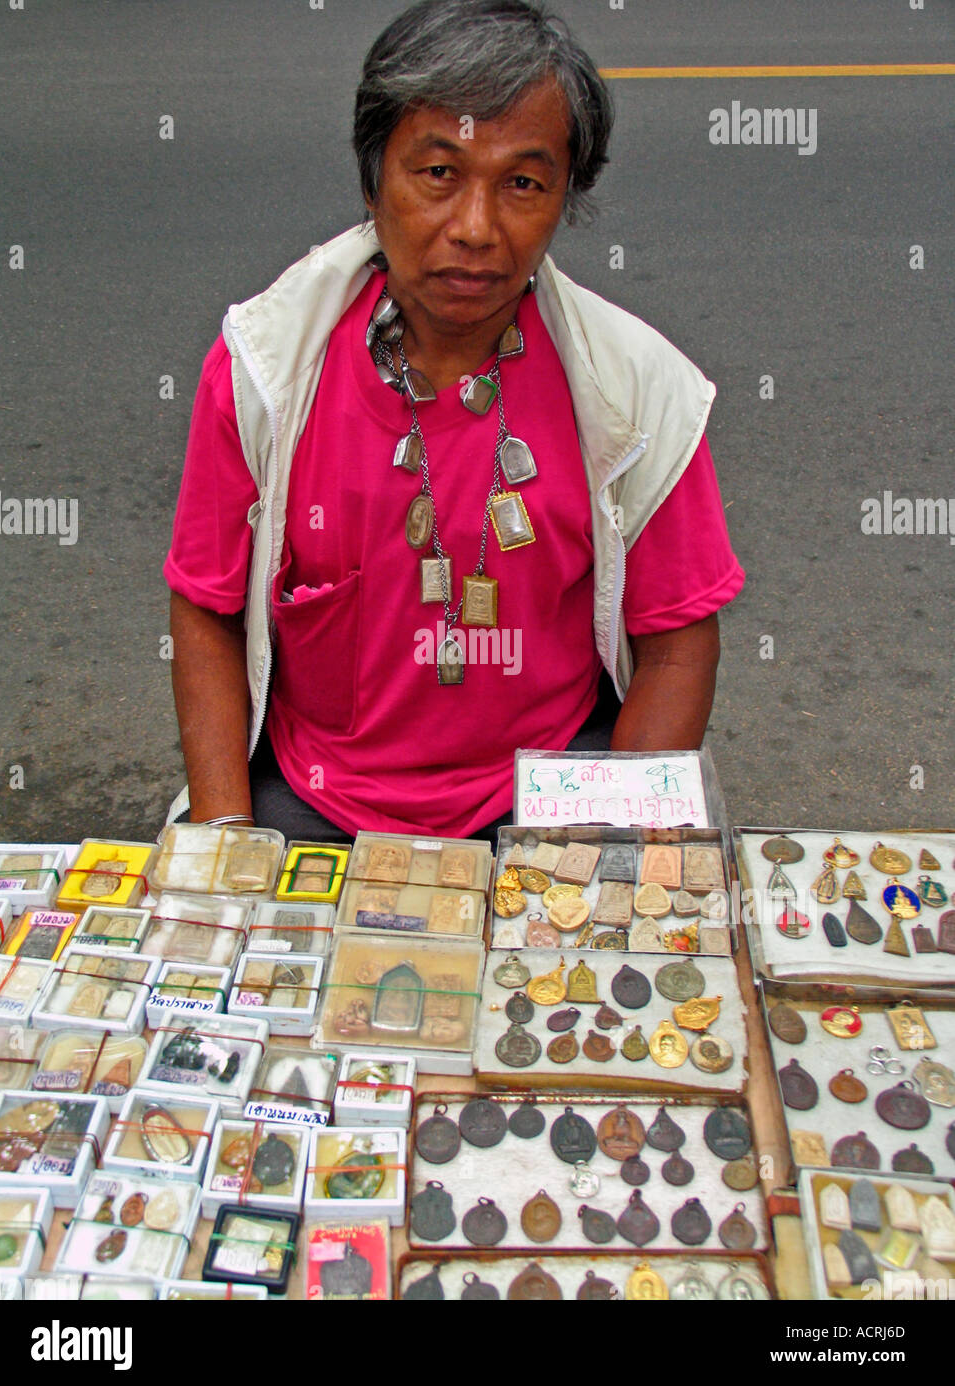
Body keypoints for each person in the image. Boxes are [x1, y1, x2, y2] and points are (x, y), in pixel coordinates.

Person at [164, 0, 744, 844]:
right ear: (373, 182)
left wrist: (603, 854)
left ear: (563, 200)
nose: (476, 230)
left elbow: (678, 644)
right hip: (314, 796)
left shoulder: (636, 390)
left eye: (523, 183)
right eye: (438, 173)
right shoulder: (266, 367)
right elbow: (207, 609)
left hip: (547, 791)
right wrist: (226, 836)